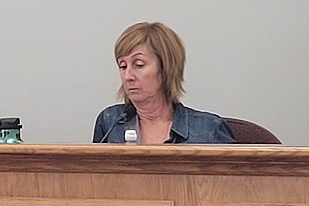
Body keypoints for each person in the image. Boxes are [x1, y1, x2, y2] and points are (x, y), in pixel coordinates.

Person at [93, 21, 234, 144]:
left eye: (139, 65)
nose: (128, 76)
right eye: (123, 66)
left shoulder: (209, 130)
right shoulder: (110, 122)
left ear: (166, 69)